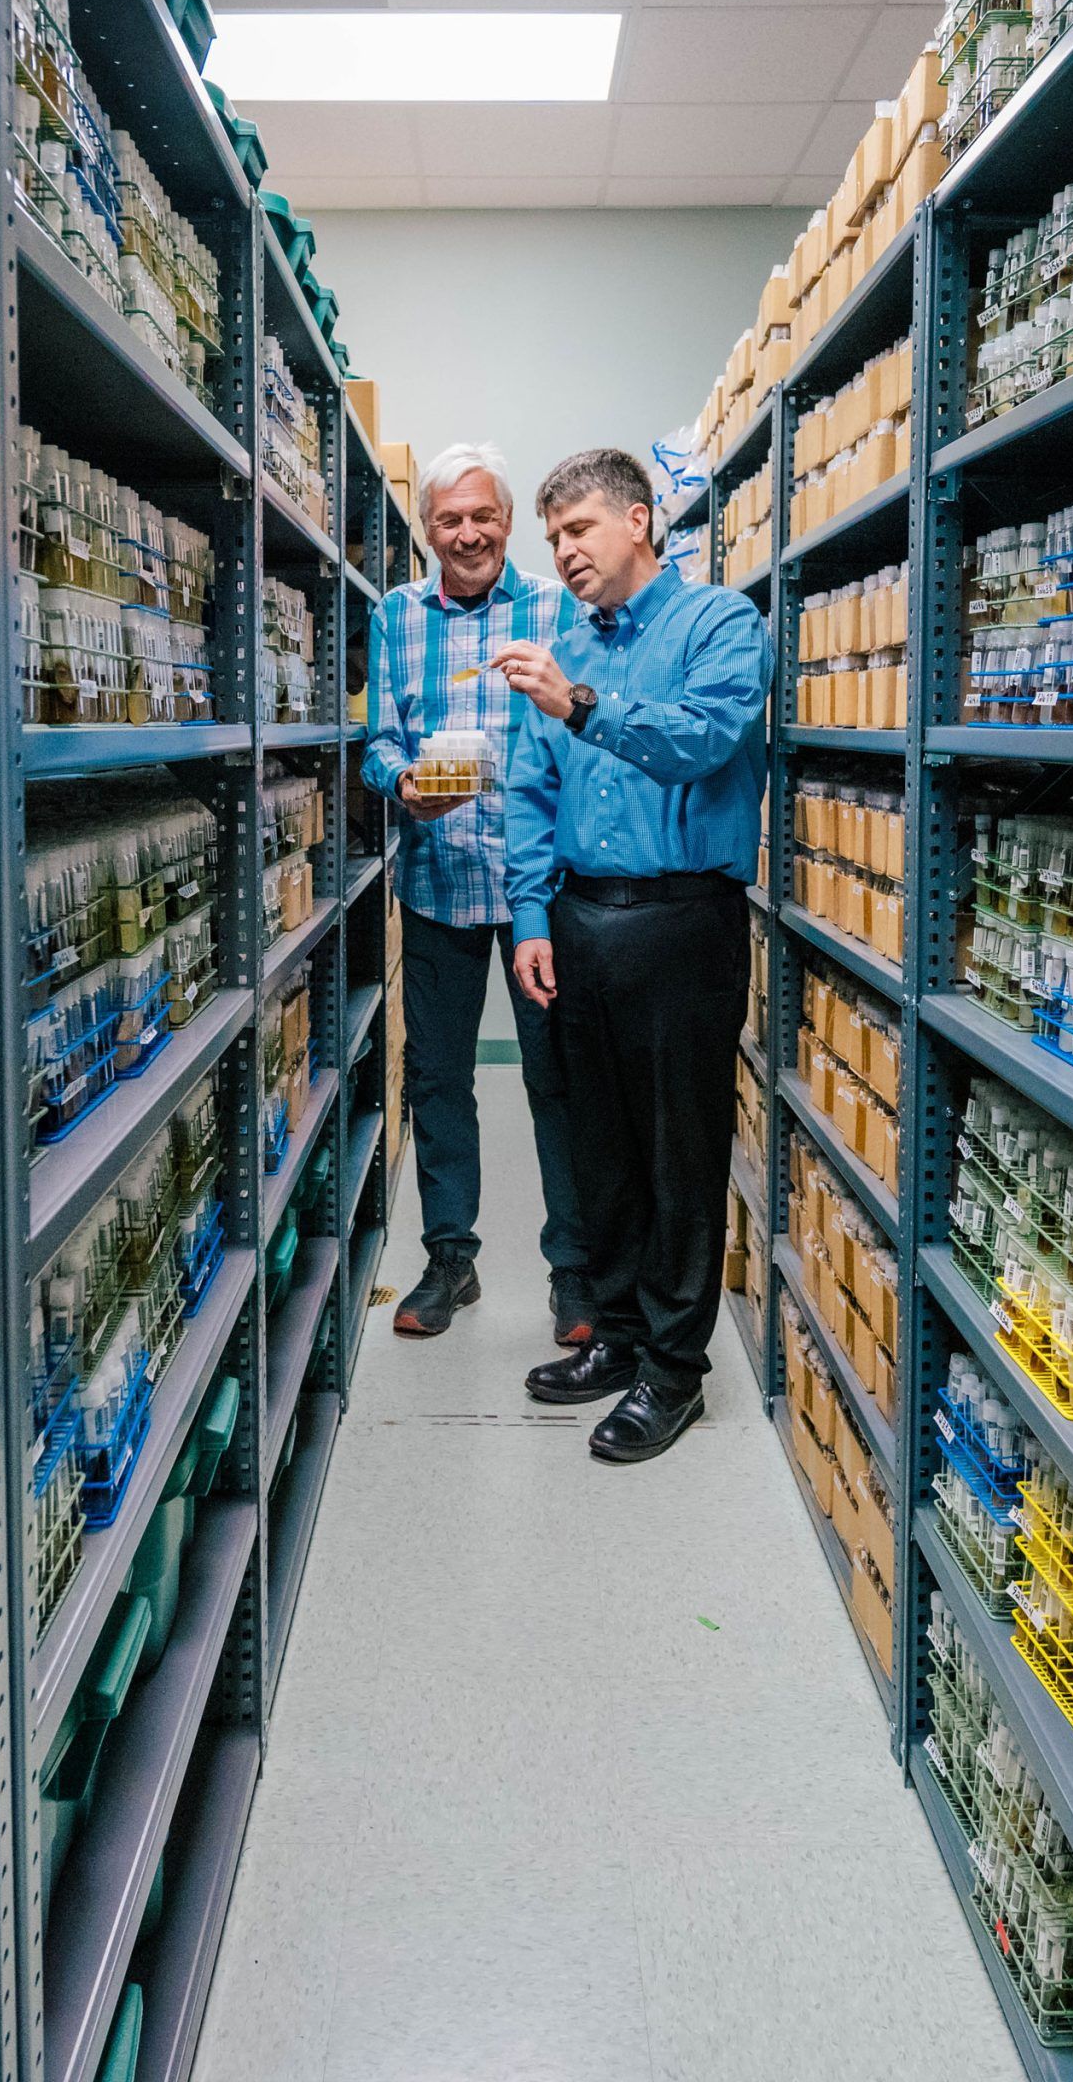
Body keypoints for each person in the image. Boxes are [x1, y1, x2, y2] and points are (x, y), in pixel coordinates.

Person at [499, 447, 769, 1463]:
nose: (565, 551)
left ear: (640, 521)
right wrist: (531, 916)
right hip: (579, 918)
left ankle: (671, 1370)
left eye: (580, 529)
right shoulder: (564, 645)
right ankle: (613, 1337)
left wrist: (582, 704)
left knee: (677, 1149)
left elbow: (704, 737)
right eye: (554, 536)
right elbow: (530, 789)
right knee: (600, 1149)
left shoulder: (720, 626)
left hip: (681, 920)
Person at [360, 442, 587, 1342]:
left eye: (482, 516)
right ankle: (450, 1260)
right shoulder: (396, 615)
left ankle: (573, 1271)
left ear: (506, 522)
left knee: (556, 1080)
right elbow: (379, 737)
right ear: (427, 531)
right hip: (437, 879)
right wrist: (401, 783)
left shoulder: (554, 605)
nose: (467, 534)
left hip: (539, 888)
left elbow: (580, 723)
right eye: (449, 519)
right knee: (438, 1079)